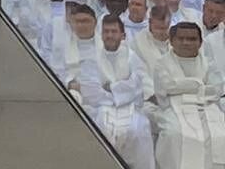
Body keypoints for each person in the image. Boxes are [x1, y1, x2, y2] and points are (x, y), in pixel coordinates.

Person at [71, 13, 156, 169]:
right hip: (101, 109)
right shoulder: (93, 59)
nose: (109, 35)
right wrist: (117, 92)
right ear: (101, 34)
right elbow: (91, 91)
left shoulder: (132, 57)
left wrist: (110, 88)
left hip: (131, 108)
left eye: (113, 31)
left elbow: (137, 87)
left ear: (122, 35)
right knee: (100, 127)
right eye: (106, 31)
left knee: (139, 128)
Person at [154, 21, 225, 168]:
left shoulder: (207, 63)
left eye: (192, 39)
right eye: (181, 38)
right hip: (173, 109)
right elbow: (166, 88)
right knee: (174, 134)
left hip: (208, 108)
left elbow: (217, 89)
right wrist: (199, 84)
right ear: (172, 41)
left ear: (200, 43)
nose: (186, 43)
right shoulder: (162, 63)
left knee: (219, 134)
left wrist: (183, 86)